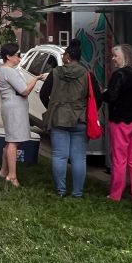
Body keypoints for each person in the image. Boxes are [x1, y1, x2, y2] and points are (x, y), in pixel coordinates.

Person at [39, 39, 101, 198]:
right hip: (80, 119)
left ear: (67, 56)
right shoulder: (88, 75)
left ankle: (60, 191)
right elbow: (98, 98)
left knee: (59, 155)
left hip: (59, 118)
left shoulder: (55, 73)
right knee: (79, 157)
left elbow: (43, 94)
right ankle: (77, 193)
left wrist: (52, 107)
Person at [102, 43, 132, 204]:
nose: (113, 59)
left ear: (124, 57)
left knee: (119, 159)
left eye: (116, 56)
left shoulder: (119, 75)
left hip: (121, 121)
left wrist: (104, 94)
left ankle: (116, 194)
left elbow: (112, 96)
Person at [0, 42, 42, 188]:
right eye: (17, 55)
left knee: (10, 141)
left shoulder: (5, 70)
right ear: (8, 56)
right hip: (14, 109)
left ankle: (3, 171)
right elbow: (24, 91)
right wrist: (37, 78)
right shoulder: (9, 71)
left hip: (13, 108)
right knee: (13, 142)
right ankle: (12, 175)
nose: (20, 58)